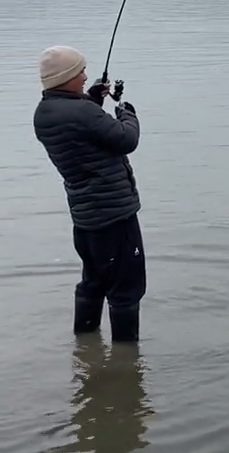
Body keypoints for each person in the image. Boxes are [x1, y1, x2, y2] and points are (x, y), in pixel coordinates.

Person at [33, 45, 146, 343]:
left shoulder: (44, 113)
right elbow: (126, 138)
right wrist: (127, 112)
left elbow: (81, 126)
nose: (85, 76)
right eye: (80, 71)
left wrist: (92, 99)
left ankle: (85, 343)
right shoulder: (81, 112)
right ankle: (125, 364)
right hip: (115, 215)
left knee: (93, 282)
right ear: (66, 76)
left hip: (86, 219)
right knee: (126, 288)